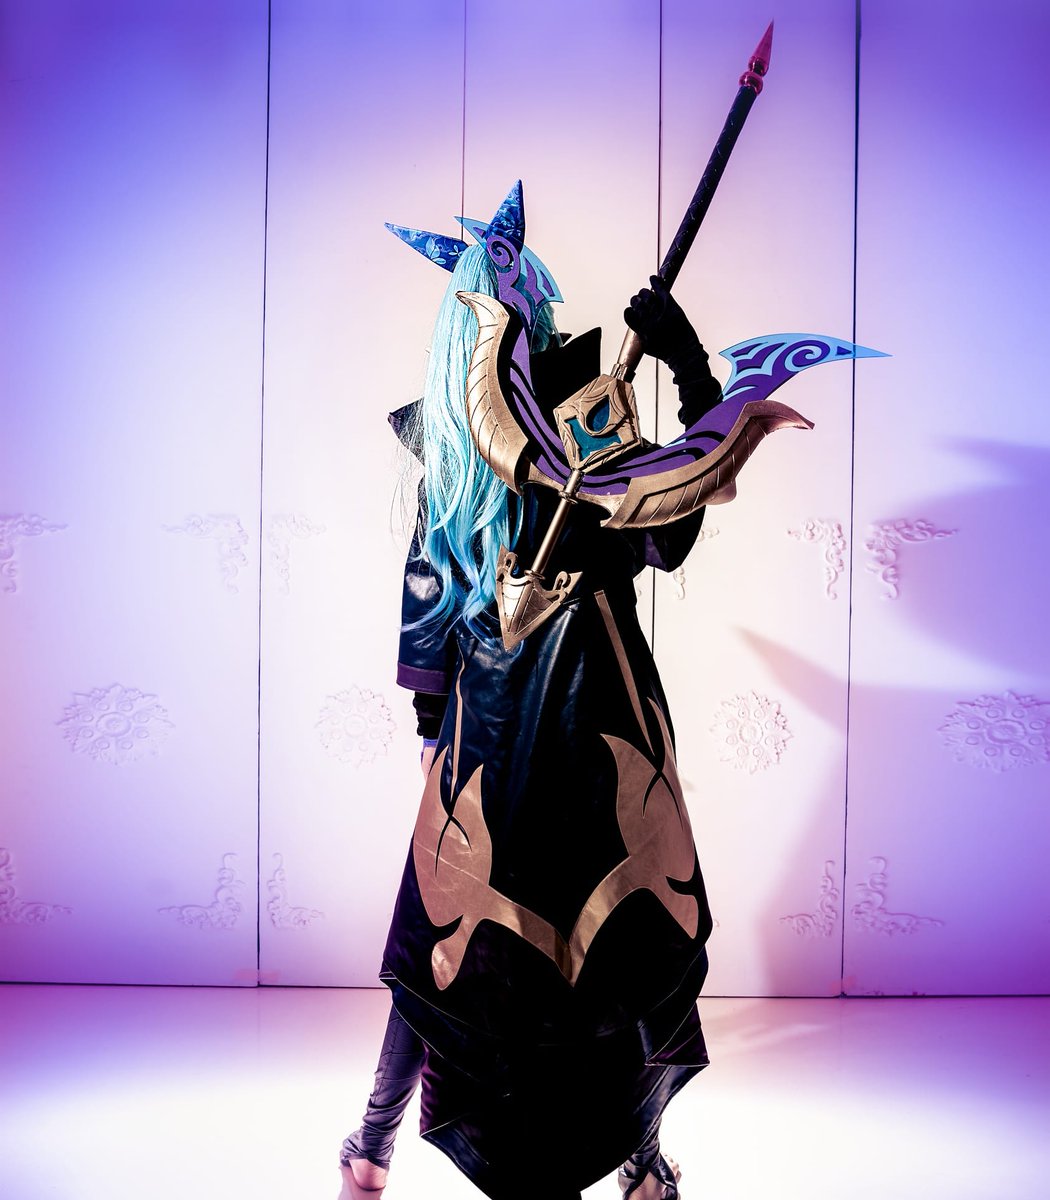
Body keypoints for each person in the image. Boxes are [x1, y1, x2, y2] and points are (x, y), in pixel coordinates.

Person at [339, 184, 720, 1200]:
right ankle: (625, 1159)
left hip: (562, 727)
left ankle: (376, 1149)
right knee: (502, 945)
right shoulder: (473, 447)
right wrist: (687, 367)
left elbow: (667, 528)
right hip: (537, 730)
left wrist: (683, 363)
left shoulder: (574, 421)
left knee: (500, 944)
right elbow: (435, 588)